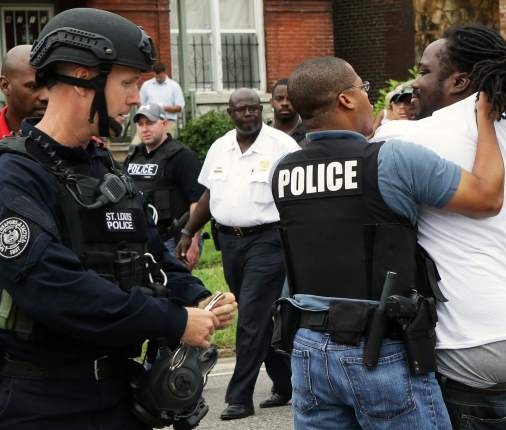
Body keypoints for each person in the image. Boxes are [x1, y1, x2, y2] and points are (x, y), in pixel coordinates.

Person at [0, 8, 236, 430]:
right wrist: (174, 320)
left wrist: (198, 297)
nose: (135, 99)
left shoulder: (103, 168)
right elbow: (53, 286)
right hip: (40, 402)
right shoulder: (15, 174)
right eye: (127, 83)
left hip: (118, 394)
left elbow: (150, 252)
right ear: (80, 76)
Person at [272, 54, 506, 429]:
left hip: (308, 350)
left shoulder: (282, 169)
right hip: (379, 349)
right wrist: (486, 122)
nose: (369, 98)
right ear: (345, 100)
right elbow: (488, 198)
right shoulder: (391, 159)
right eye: (363, 89)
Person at [375, 24, 506, 429]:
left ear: (459, 80)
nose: (415, 81)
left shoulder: (406, 137)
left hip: (473, 345)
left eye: (424, 71)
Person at [176, 88, 298, 420]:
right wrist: (189, 232)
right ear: (230, 113)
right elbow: (208, 195)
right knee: (260, 315)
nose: (248, 114)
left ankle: (239, 397)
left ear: (261, 110)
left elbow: (299, 195)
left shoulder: (282, 146)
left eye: (253, 108)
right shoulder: (220, 147)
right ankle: (286, 382)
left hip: (269, 241)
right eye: (240, 110)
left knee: (252, 318)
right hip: (229, 243)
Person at [123, 103, 204, 268]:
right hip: (140, 239)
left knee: (175, 289)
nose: (145, 129)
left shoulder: (182, 156)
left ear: (164, 123)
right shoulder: (133, 156)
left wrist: (194, 241)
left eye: (150, 123)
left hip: (173, 240)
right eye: (140, 124)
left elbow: (198, 202)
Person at [0, 44, 48, 137]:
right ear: (5, 85)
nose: (46, 96)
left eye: (51, 85)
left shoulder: (74, 137)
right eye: (33, 86)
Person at [137, 62, 184, 140]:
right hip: (149, 121)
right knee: (137, 146)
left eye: (160, 76)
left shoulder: (174, 86)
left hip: (168, 121)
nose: (158, 78)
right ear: (153, 73)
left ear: (165, 72)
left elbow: (179, 107)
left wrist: (162, 108)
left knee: (166, 146)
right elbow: (140, 104)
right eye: (156, 76)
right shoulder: (147, 85)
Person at [270, 78, 307, 146]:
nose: (285, 103)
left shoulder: (309, 134)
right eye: (279, 99)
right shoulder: (263, 133)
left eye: (290, 99)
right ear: (271, 102)